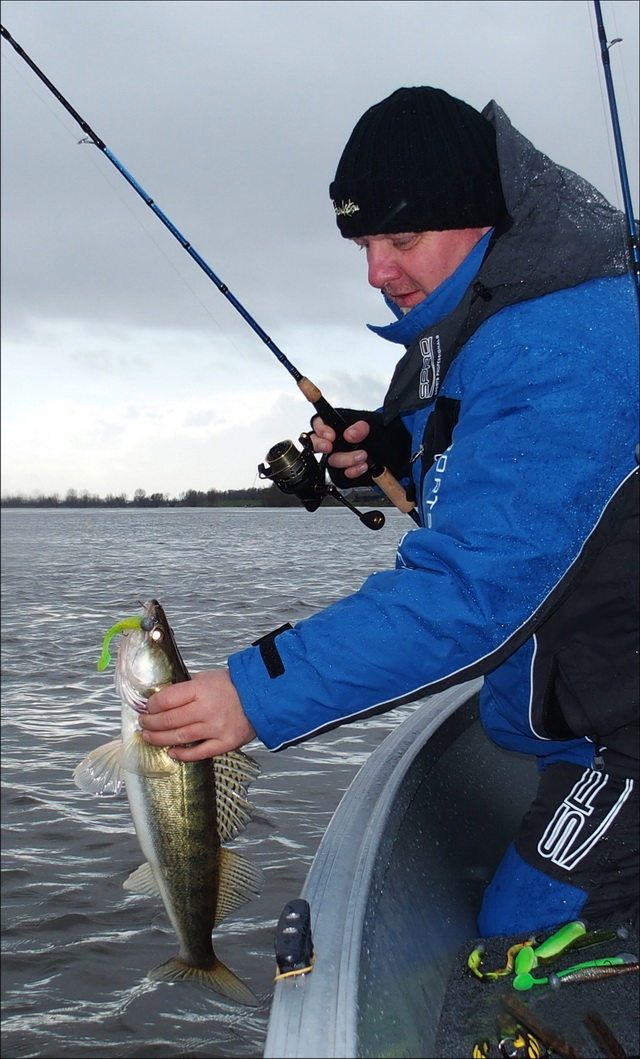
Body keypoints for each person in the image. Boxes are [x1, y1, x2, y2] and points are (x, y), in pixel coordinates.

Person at [141, 87, 639, 934]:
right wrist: (389, 450)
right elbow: (490, 456)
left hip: (623, 727)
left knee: (526, 932)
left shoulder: (572, 345)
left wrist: (252, 697)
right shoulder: (476, 311)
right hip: (585, 708)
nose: (377, 270)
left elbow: (470, 594)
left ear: (479, 217)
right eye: (364, 242)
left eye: (401, 238)